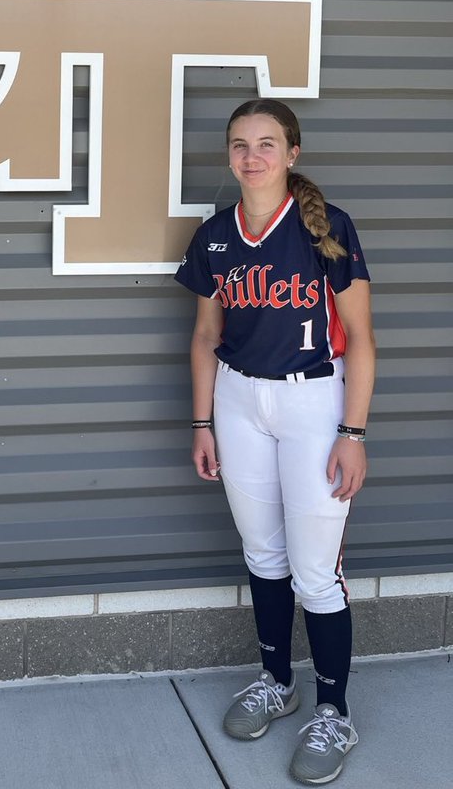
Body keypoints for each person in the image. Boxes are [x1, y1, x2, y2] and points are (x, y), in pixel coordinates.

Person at [175, 97, 375, 786]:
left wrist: (351, 432)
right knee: (261, 552)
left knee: (315, 571)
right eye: (239, 144)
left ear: (291, 154)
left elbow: (365, 341)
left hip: (314, 400)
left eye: (266, 143)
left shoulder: (327, 228)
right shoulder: (213, 237)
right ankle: (272, 680)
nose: (251, 156)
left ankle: (332, 712)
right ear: (228, 155)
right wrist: (201, 421)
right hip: (237, 396)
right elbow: (205, 336)